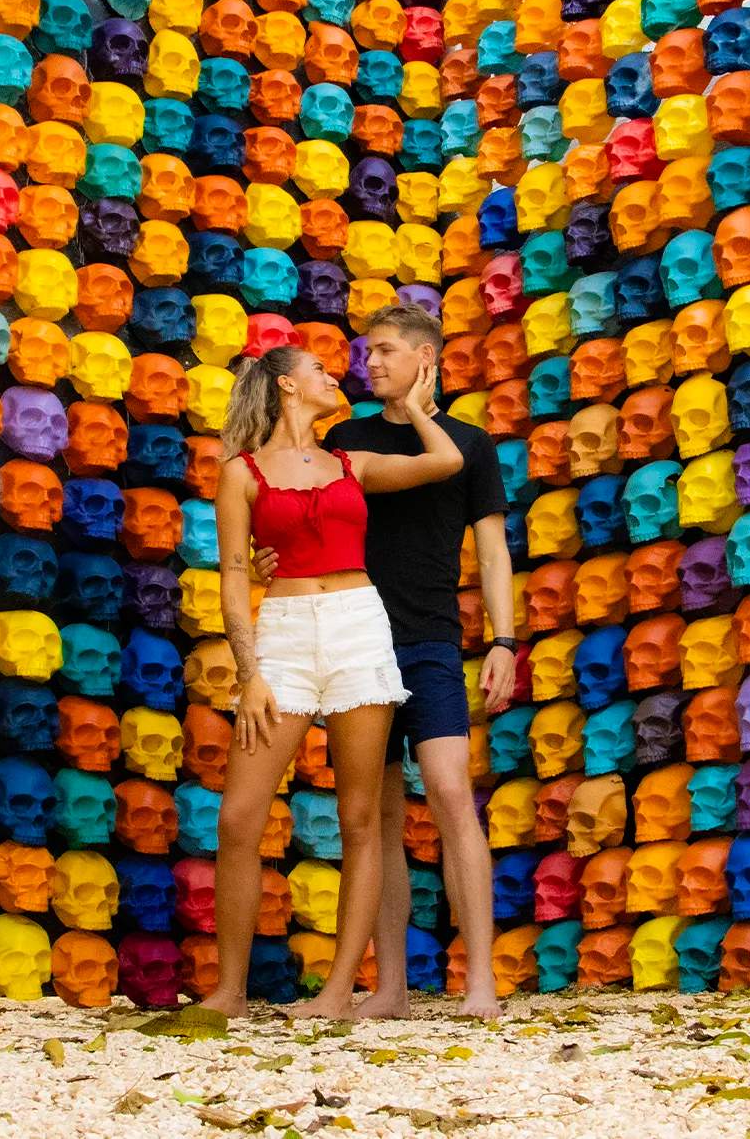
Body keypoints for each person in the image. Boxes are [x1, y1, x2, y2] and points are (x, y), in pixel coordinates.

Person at [254, 304, 515, 1019]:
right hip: (358, 640)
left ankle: (481, 982)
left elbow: (492, 549)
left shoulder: (470, 443)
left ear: (426, 360)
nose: (371, 363)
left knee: (451, 791)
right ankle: (391, 987)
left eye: (388, 352)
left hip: (430, 640)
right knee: (380, 814)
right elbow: (302, 518)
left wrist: (504, 639)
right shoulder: (346, 440)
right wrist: (269, 555)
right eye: (370, 352)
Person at [200, 343, 465, 1021]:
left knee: (359, 820)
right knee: (238, 819)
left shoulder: (353, 462)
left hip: (357, 625)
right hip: (285, 631)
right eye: (320, 368)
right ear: (288, 385)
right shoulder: (242, 473)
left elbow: (446, 461)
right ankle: (229, 992)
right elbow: (234, 574)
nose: (336, 375)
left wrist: (410, 405)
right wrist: (250, 670)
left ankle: (339, 993)